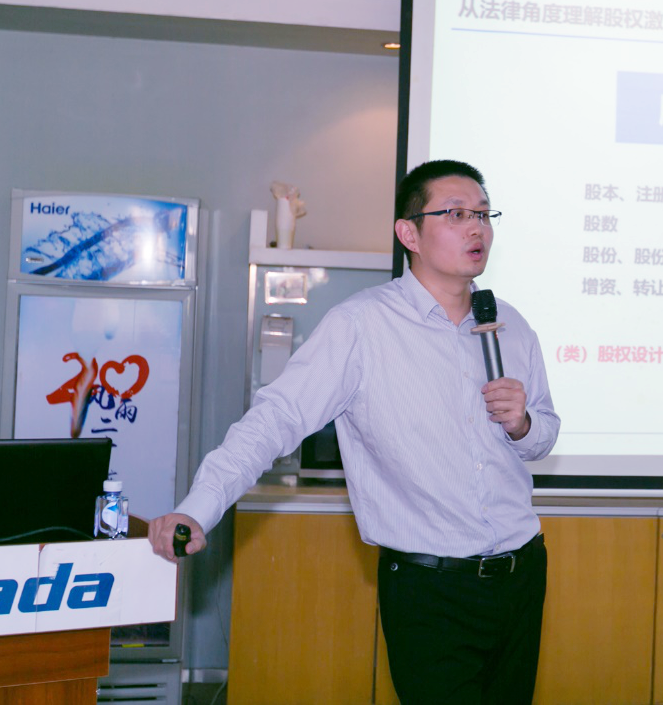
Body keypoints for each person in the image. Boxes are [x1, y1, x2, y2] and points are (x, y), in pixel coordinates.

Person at [148, 159, 560, 704]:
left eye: (484, 215)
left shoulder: (510, 325)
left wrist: (523, 423)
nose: (476, 228)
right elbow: (276, 418)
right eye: (456, 214)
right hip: (430, 588)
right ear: (409, 233)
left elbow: (543, 436)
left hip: (522, 573)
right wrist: (197, 509)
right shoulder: (361, 325)